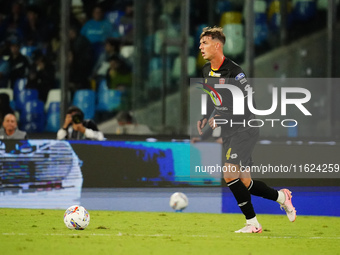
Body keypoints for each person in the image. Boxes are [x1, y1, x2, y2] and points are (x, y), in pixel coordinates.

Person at [197, 27, 296, 233]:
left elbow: (247, 104)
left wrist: (222, 118)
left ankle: (252, 224)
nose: (200, 47)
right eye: (200, 43)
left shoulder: (235, 72)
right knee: (246, 182)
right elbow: (210, 95)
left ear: (217, 45)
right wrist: (206, 115)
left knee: (229, 175)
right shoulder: (207, 70)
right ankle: (282, 197)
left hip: (244, 129)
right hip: (230, 132)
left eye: (205, 43)